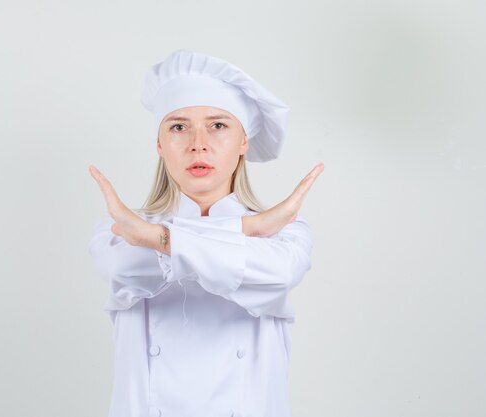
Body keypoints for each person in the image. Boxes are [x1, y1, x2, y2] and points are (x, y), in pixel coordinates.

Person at [88, 49, 324, 417]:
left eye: (218, 125)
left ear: (244, 142)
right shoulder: (119, 230)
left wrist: (158, 239)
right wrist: (248, 228)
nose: (198, 142)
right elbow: (126, 269)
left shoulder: (285, 230)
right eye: (178, 127)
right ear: (159, 145)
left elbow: (277, 273)